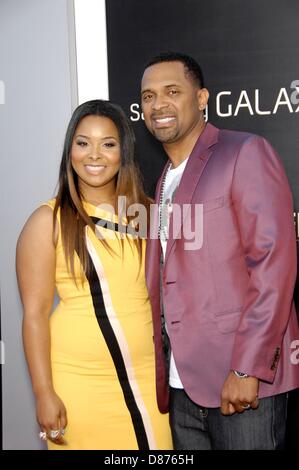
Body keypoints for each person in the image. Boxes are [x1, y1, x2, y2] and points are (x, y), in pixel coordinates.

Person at [141, 52, 299, 450]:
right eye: (147, 96)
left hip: (242, 383)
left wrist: (247, 369)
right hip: (182, 388)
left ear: (202, 98)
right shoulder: (161, 182)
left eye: (172, 91)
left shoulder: (243, 152)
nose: (157, 104)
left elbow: (273, 266)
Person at [16, 99, 172, 450]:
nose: (94, 155)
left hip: (150, 380)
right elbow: (35, 315)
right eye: (83, 142)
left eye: (108, 144)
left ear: (124, 153)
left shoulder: (148, 214)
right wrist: (44, 393)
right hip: (79, 384)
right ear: (70, 149)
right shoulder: (48, 221)